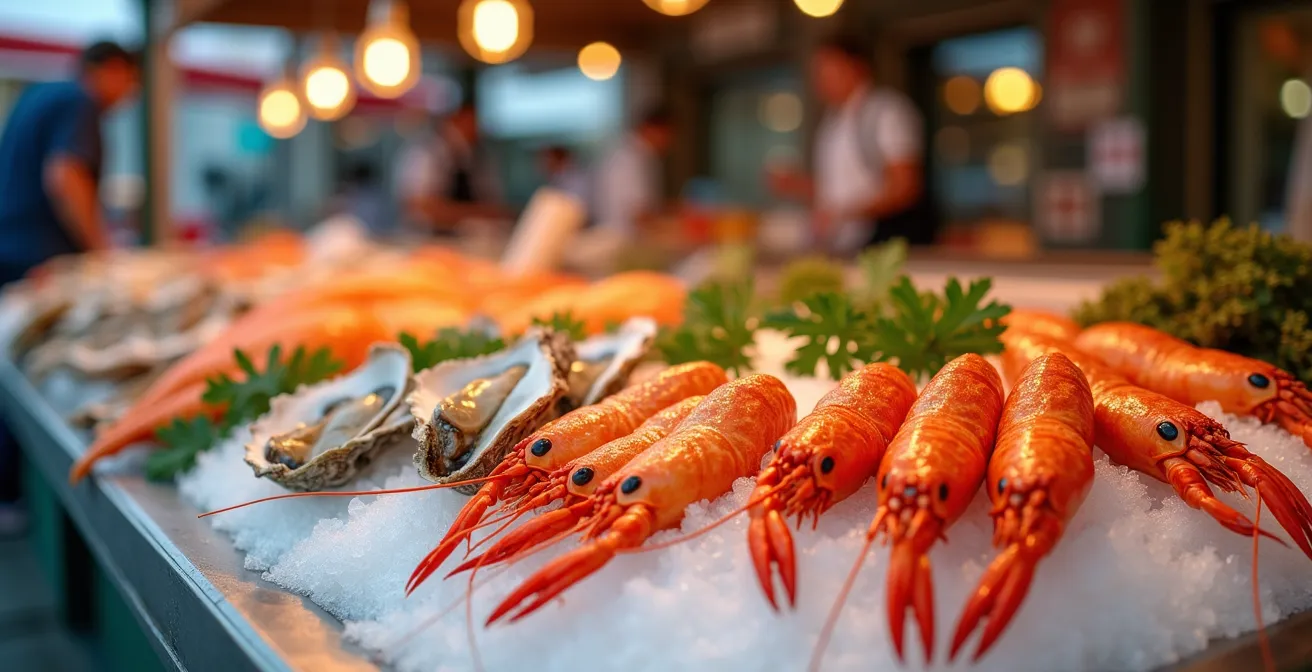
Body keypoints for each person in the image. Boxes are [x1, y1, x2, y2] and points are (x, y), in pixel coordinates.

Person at [0, 40, 139, 534]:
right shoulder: (78, 102)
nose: (128, 97)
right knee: (29, 367)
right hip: (35, 260)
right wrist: (102, 250)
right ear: (113, 69)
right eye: (132, 83)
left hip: (11, 251)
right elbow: (64, 175)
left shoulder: (40, 95)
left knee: (18, 365)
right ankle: (9, 497)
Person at [771, 34, 929, 253]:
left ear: (856, 67)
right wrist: (797, 185)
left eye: (828, 70)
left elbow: (905, 186)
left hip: (882, 243)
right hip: (843, 245)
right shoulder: (832, 121)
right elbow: (836, 191)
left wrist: (844, 213)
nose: (820, 80)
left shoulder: (887, 112)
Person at [395, 103, 506, 235]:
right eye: (469, 121)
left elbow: (491, 203)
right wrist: (475, 214)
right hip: (427, 238)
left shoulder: (479, 156)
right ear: (453, 120)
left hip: (472, 239)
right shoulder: (425, 153)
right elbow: (420, 207)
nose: (475, 128)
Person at [592, 109, 675, 238]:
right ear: (650, 128)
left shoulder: (640, 155)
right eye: (667, 134)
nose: (669, 142)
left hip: (625, 238)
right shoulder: (629, 158)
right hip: (621, 240)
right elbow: (637, 213)